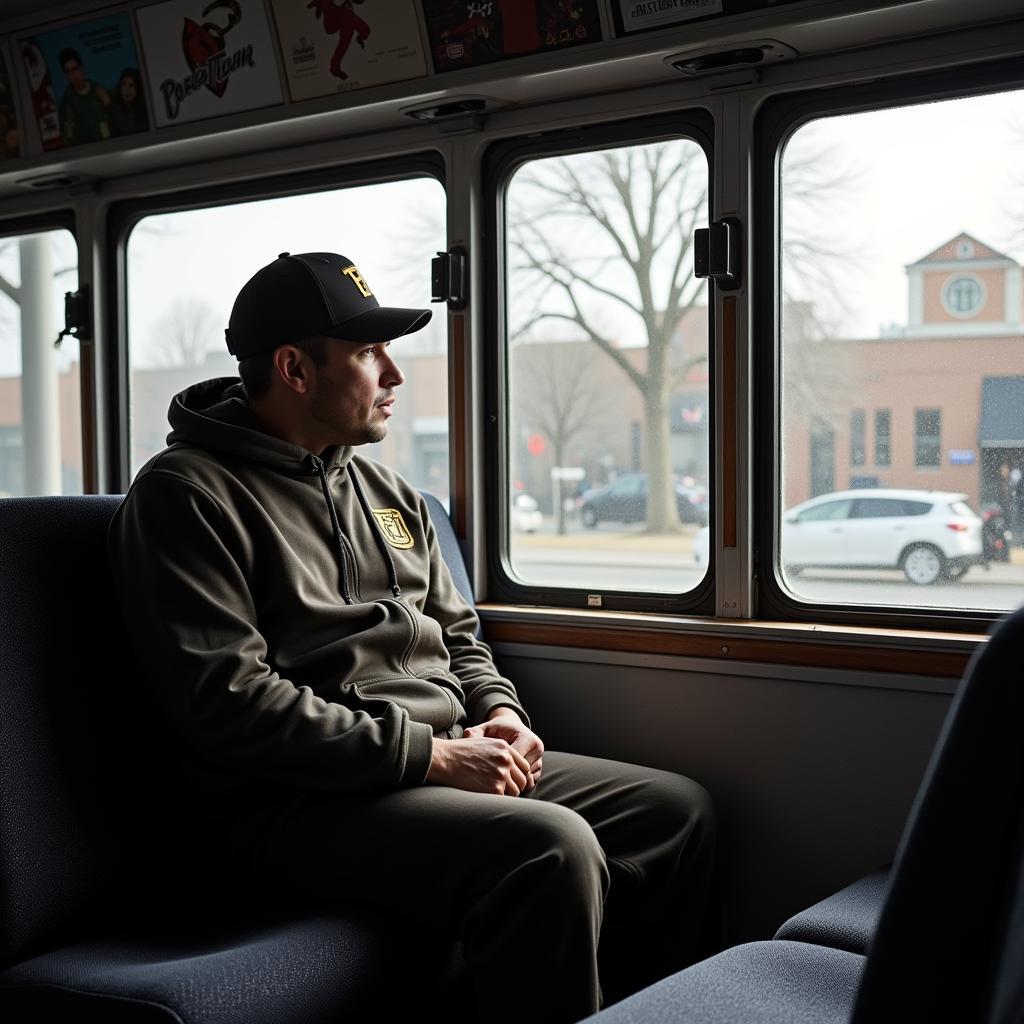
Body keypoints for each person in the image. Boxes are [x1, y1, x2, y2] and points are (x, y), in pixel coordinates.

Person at [107, 252, 715, 1024]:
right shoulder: (185, 498)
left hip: (431, 758)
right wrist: (432, 756)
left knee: (676, 813)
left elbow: (460, 636)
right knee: (548, 847)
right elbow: (231, 704)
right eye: (368, 353)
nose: (394, 374)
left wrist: (501, 716)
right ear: (294, 368)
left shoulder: (391, 493)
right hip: (292, 806)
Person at [57, 47, 110, 145]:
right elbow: (67, 136)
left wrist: (107, 103)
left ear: (82, 68)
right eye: (69, 71)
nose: (73, 75)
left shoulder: (98, 90)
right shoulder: (67, 101)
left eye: (75, 69)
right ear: (66, 75)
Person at [108, 67, 149, 137]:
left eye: (132, 86)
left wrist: (109, 106)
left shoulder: (144, 110)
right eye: (124, 84)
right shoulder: (116, 105)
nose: (127, 90)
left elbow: (129, 129)